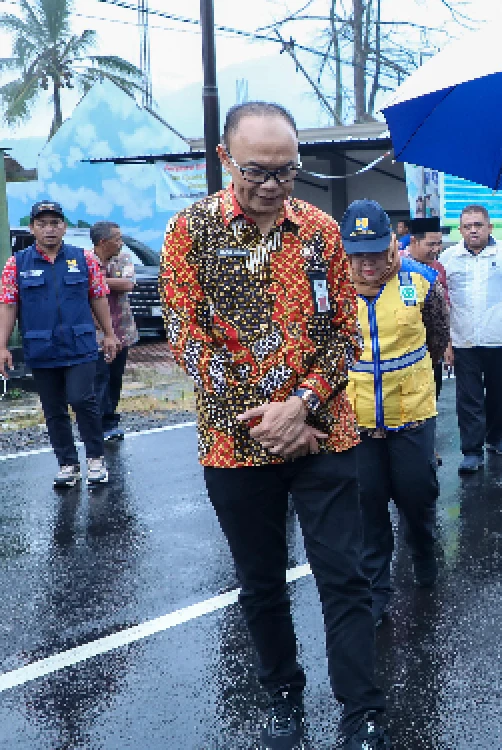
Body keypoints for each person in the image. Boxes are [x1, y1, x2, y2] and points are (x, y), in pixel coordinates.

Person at [158, 101, 390, 750]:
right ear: (226, 159)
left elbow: (344, 334)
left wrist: (303, 406)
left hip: (324, 435)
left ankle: (362, 711)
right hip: (235, 443)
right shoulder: (189, 232)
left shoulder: (320, 230)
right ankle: (282, 695)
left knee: (345, 577)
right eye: (257, 171)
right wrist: (273, 418)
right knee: (260, 584)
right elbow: (187, 341)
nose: (272, 185)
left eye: (286, 171)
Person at [341, 199, 450, 625]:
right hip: (359, 418)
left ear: (391, 243)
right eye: (357, 254)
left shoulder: (421, 280)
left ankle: (423, 551)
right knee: (367, 503)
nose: (367, 263)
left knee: (416, 495)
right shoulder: (331, 287)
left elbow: (437, 338)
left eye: (374, 251)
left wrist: (417, 383)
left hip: (412, 413)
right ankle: (376, 588)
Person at [0, 200, 118, 487]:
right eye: (42, 224)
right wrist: (2, 346)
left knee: (81, 399)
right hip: (41, 347)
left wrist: (109, 333)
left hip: (80, 345)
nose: (49, 229)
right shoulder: (17, 264)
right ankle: (67, 464)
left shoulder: (84, 258)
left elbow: (98, 296)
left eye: (55, 223)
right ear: (32, 228)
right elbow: (8, 304)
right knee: (53, 409)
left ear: (64, 227)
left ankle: (95, 459)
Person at [442, 204, 502, 474]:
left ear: (489, 227)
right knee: (468, 398)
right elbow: (441, 300)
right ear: (460, 230)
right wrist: (446, 340)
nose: (473, 230)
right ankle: (472, 451)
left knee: (498, 393)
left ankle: (496, 438)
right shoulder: (449, 258)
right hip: (464, 340)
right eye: (467, 226)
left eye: (478, 225)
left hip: (501, 337)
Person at [89, 221, 139, 441]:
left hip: (122, 330)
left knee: (115, 378)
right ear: (103, 242)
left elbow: (128, 284)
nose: (121, 243)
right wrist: (108, 282)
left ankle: (110, 420)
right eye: (117, 239)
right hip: (96, 333)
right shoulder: (86, 260)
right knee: (99, 377)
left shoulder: (123, 258)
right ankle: (100, 424)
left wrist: (95, 281)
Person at [404, 217, 450, 401]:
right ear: (414, 241)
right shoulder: (396, 266)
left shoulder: (438, 268)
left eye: (439, 244)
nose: (436, 249)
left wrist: (447, 345)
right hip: (405, 351)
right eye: (431, 244)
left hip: (432, 351)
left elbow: (445, 307)